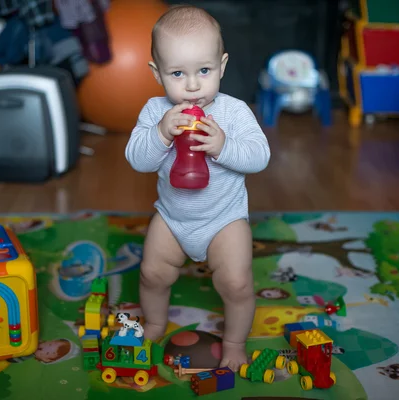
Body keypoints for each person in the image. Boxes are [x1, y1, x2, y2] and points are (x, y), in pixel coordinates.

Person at [124, 4, 270, 372]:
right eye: (177, 73)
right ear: (157, 74)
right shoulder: (155, 112)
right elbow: (138, 160)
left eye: (204, 71)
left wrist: (223, 146)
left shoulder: (234, 112)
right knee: (151, 274)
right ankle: (155, 322)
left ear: (221, 66)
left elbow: (259, 156)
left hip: (224, 219)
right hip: (173, 217)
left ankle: (234, 341)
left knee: (236, 284)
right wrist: (160, 134)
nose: (192, 86)